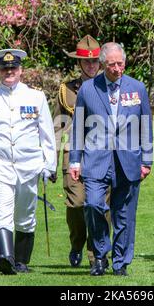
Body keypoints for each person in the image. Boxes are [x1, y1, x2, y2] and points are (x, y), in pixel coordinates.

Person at [69, 42, 153, 276]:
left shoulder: (137, 88)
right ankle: (99, 255)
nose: (117, 68)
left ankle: (121, 263)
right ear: (103, 64)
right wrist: (75, 161)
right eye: (112, 64)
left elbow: (145, 125)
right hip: (96, 160)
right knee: (93, 204)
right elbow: (77, 128)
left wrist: (147, 161)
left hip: (129, 161)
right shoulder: (88, 89)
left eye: (121, 63)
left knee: (124, 216)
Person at [0, 49, 56, 275]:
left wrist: (50, 166)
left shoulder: (35, 97)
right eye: (4, 69)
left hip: (29, 166)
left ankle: (21, 261)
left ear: (21, 70)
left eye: (13, 68)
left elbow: (46, 134)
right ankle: (4, 258)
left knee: (25, 216)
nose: (9, 72)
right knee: (2, 212)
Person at [53, 35, 111, 267]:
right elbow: (58, 126)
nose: (91, 65)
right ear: (79, 63)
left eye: (95, 61)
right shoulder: (66, 91)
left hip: (103, 154)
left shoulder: (110, 86)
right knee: (77, 203)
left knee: (100, 206)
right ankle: (77, 242)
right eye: (86, 62)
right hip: (74, 154)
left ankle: (96, 254)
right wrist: (51, 162)